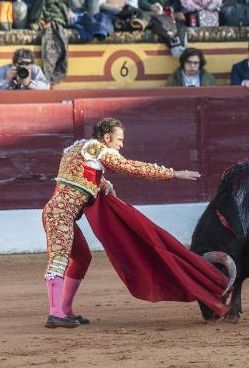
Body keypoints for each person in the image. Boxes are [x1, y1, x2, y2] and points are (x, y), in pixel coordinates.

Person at [43, 117, 202, 328]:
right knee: (59, 260)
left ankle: (65, 310)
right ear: (107, 137)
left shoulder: (81, 147)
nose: (121, 144)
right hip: (60, 214)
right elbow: (130, 167)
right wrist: (173, 174)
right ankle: (55, 314)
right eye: (119, 139)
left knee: (82, 258)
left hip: (58, 212)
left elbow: (77, 173)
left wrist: (103, 182)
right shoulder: (99, 149)